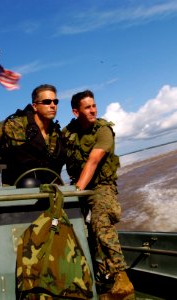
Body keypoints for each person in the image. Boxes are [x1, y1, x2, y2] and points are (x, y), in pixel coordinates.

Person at [62, 90, 135, 298]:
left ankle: (121, 277)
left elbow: (93, 162)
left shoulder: (103, 130)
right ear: (76, 111)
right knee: (67, 226)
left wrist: (75, 192)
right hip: (79, 187)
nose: (93, 110)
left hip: (101, 186)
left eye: (94, 106)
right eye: (88, 107)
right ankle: (93, 274)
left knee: (100, 222)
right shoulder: (68, 133)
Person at [0, 84, 66, 187]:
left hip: (40, 191)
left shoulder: (57, 134)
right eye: (47, 102)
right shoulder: (13, 125)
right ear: (35, 106)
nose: (53, 105)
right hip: (5, 188)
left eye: (55, 102)